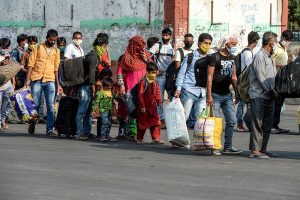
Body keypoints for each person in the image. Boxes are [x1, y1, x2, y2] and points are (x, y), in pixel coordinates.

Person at [207, 35, 242, 155]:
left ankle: (228, 146)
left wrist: (236, 93)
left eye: (236, 44)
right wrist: (209, 95)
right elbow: (210, 77)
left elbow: (234, 76)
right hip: (215, 94)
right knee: (216, 123)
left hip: (227, 94)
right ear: (226, 44)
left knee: (232, 121)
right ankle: (215, 147)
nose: (234, 47)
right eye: (233, 44)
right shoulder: (214, 57)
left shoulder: (232, 57)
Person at [25, 29, 61, 135]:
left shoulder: (56, 51)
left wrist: (58, 84)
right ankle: (32, 124)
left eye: (54, 40)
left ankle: (49, 129)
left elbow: (56, 68)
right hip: (36, 79)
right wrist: (27, 80)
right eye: (51, 40)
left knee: (50, 106)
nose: (53, 42)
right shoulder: (37, 48)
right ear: (47, 38)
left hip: (50, 80)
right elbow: (30, 64)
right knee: (35, 104)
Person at [248, 31, 278, 159]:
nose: (276, 44)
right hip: (259, 95)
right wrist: (271, 91)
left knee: (267, 124)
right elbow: (261, 77)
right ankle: (255, 150)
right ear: (270, 43)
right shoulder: (260, 56)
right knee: (257, 124)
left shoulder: (269, 56)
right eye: (275, 42)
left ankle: (262, 149)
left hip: (269, 96)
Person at [175, 33, 212, 132]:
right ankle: (177, 138)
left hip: (202, 93)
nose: (207, 45)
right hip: (188, 91)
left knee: (202, 120)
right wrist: (178, 88)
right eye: (205, 43)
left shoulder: (210, 58)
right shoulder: (190, 57)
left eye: (209, 43)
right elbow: (182, 73)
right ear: (199, 43)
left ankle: (200, 143)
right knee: (184, 117)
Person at [117, 35, 152, 141]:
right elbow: (119, 71)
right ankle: (128, 132)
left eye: (142, 45)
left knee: (140, 110)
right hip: (129, 87)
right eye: (138, 45)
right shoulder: (126, 57)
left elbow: (153, 68)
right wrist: (121, 85)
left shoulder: (146, 55)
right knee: (129, 110)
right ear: (133, 45)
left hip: (142, 88)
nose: (140, 47)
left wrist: (145, 59)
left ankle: (138, 134)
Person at [149, 27, 175, 128]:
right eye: (163, 35)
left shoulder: (172, 46)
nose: (165, 37)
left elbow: (174, 59)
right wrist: (155, 69)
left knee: (172, 97)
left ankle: (172, 119)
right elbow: (148, 56)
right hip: (159, 76)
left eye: (167, 35)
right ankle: (161, 119)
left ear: (170, 36)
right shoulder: (157, 45)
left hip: (169, 76)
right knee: (158, 98)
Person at [75, 35, 100, 140]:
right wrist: (93, 88)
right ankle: (79, 132)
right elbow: (91, 75)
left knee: (87, 111)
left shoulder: (93, 55)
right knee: (82, 110)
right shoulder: (93, 56)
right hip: (86, 86)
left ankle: (86, 131)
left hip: (87, 86)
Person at [235, 31, 260, 132]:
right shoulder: (248, 53)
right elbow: (250, 68)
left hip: (243, 81)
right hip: (245, 82)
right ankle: (240, 124)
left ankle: (242, 122)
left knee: (243, 103)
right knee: (242, 103)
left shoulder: (245, 51)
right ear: (255, 41)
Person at [271, 30, 293, 134]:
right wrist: (279, 65)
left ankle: (276, 124)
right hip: (275, 78)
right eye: (286, 39)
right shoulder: (276, 48)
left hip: (282, 79)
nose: (287, 41)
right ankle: (272, 125)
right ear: (282, 37)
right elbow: (269, 60)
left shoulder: (285, 48)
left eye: (288, 40)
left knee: (279, 103)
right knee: (276, 102)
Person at [137, 62, 163, 144]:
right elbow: (140, 95)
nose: (154, 74)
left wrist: (159, 101)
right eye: (153, 73)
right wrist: (142, 106)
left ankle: (156, 138)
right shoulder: (143, 81)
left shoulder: (155, 81)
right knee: (142, 123)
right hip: (144, 107)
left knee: (156, 122)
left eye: (155, 73)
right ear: (147, 72)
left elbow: (157, 92)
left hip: (153, 106)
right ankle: (139, 138)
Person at [92, 77, 116, 142]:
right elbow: (96, 102)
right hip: (103, 110)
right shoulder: (100, 93)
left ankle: (107, 135)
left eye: (111, 86)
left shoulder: (111, 92)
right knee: (105, 123)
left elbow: (114, 99)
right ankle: (102, 135)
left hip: (109, 111)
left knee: (109, 123)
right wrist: (94, 110)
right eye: (108, 86)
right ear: (104, 86)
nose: (110, 88)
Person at [0, 38, 14, 130]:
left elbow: (12, 69)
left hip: (8, 85)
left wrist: (13, 82)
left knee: (7, 104)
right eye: (3, 47)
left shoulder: (9, 55)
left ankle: (3, 120)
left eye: (6, 47)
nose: (5, 49)